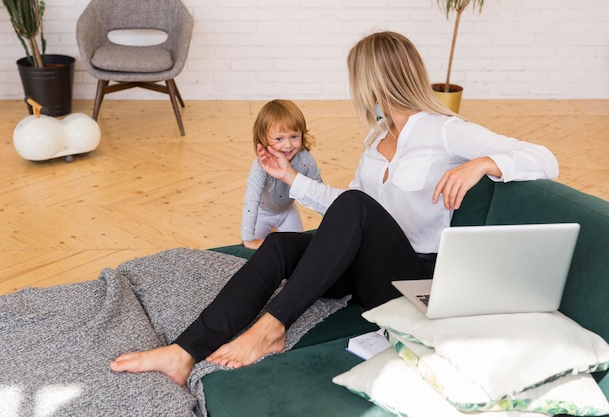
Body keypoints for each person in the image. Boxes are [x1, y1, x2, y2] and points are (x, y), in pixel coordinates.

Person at [110, 31, 558, 385]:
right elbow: (348, 211)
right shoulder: (375, 138)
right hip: (369, 273)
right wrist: (290, 179)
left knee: (356, 206)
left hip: (414, 276)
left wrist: (483, 163)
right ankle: (184, 351)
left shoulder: (444, 131)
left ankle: (271, 329)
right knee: (282, 246)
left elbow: (544, 159)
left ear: (373, 80)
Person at [241, 99, 322, 250]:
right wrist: (247, 239)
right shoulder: (260, 165)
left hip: (288, 212)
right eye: (279, 139)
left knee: (296, 250)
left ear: (302, 134)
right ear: (263, 138)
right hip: (262, 213)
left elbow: (318, 191)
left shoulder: (305, 159)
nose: (288, 145)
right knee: (255, 253)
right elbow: (251, 200)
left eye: (294, 136)